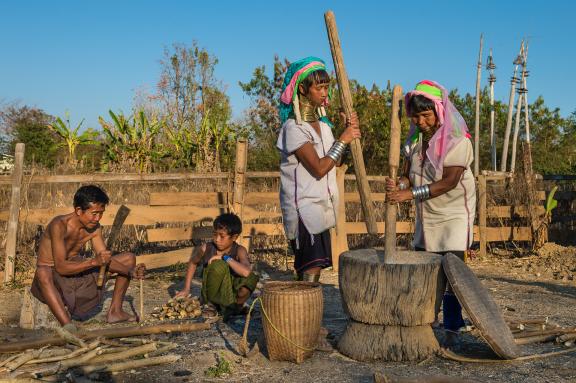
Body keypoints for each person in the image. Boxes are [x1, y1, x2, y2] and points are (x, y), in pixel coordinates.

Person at [386, 80, 476, 344]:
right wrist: (400, 184)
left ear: (439, 111)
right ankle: (424, 321)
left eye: (426, 114)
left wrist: (409, 194)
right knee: (425, 271)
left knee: (451, 274)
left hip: (453, 215)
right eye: (416, 115)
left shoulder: (458, 142)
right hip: (427, 215)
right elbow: (409, 177)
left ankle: (452, 328)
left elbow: (449, 182)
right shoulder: (414, 143)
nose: (421, 120)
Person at [276, 56, 361, 282]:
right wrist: (343, 139)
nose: (324, 93)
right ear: (302, 88)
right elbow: (319, 168)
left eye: (326, 87)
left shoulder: (324, 127)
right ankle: (304, 314)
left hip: (322, 205)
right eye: (319, 87)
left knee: (315, 267)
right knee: (309, 268)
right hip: (303, 207)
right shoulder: (293, 128)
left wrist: (345, 134)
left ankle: (304, 312)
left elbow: (336, 161)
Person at [31, 185, 145, 330]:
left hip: (76, 273)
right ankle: (67, 325)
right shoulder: (59, 225)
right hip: (54, 277)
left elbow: (105, 260)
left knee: (128, 259)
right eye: (94, 213)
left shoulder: (95, 228)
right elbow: (60, 267)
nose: (98, 218)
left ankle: (115, 311)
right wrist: (93, 262)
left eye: (101, 213)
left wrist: (130, 272)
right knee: (42, 271)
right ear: (79, 210)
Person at [175, 213, 259, 320]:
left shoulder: (239, 250)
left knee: (251, 278)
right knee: (217, 265)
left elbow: (247, 272)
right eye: (215, 234)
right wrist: (186, 288)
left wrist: (225, 257)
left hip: (230, 293)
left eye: (222, 236)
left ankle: (236, 306)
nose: (217, 239)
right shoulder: (207, 248)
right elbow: (193, 262)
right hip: (212, 293)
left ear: (234, 237)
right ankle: (212, 305)